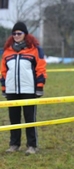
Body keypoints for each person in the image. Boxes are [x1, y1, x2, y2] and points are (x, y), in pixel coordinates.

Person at [1, 21, 47, 155]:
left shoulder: (35, 49)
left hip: (29, 90)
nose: (16, 35)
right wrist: (4, 87)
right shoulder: (7, 51)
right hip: (11, 90)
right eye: (14, 33)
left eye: (19, 33)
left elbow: (41, 68)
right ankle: (14, 144)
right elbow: (3, 71)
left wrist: (39, 86)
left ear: (25, 34)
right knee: (13, 119)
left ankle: (32, 145)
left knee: (29, 119)